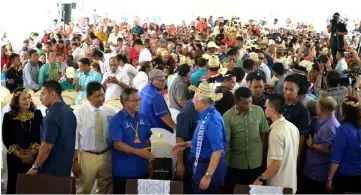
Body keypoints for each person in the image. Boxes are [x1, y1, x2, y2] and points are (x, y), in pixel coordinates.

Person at [172, 81, 226, 194]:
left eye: (194, 99)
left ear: (202, 102)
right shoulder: (205, 115)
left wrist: (208, 175)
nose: (192, 101)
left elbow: (217, 150)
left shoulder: (212, 121)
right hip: (202, 165)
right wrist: (186, 144)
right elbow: (205, 140)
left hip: (207, 166)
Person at [223, 87, 269, 193]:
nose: (248, 105)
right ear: (236, 102)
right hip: (235, 164)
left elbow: (264, 133)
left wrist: (264, 153)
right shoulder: (228, 116)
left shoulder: (258, 111)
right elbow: (226, 142)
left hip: (255, 163)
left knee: (254, 192)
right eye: (244, 103)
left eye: (250, 102)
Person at [72, 81, 115, 194]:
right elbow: (74, 138)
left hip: (106, 155)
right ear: (88, 97)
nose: (101, 98)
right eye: (97, 96)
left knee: (105, 188)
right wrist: (75, 160)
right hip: (87, 156)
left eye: (102, 95)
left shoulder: (110, 111)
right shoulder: (79, 112)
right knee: (84, 188)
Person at [109, 88, 154, 194]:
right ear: (125, 102)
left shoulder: (143, 117)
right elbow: (117, 144)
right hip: (124, 170)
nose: (138, 102)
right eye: (134, 100)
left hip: (142, 167)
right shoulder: (117, 119)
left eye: (139, 99)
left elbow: (147, 139)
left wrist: (149, 161)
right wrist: (138, 152)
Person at [27, 80, 76, 176]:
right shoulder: (70, 112)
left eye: (43, 94)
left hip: (51, 168)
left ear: (52, 94)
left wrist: (35, 167)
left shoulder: (51, 117)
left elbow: (46, 147)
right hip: (66, 165)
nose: (41, 97)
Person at [253, 94, 299, 194]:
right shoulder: (293, 127)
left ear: (273, 110)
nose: (264, 109)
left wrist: (260, 179)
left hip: (278, 186)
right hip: (291, 183)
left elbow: (277, 162)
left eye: (266, 107)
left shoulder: (276, 132)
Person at [2, 88, 42, 194]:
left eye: (29, 98)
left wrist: (31, 154)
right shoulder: (8, 117)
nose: (27, 101)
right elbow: (7, 138)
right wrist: (20, 155)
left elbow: (40, 136)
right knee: (15, 186)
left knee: (33, 187)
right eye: (24, 99)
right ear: (16, 101)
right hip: (14, 159)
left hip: (34, 158)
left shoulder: (37, 115)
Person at [303, 96, 339, 194]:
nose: (316, 107)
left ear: (322, 108)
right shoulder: (326, 121)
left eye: (318, 105)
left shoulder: (329, 126)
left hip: (318, 172)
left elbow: (328, 149)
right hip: (314, 169)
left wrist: (311, 145)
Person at [327, 97, 361, 194]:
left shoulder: (343, 129)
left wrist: (330, 179)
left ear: (345, 111)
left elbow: (336, 158)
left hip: (345, 177)